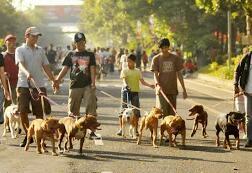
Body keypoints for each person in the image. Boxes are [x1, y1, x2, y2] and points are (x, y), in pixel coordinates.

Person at [15, 26, 56, 147]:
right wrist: (26, 72)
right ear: (27, 36)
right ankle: (29, 135)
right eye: (33, 36)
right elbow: (20, 64)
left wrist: (53, 80)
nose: (36, 38)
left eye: (37, 36)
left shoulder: (40, 50)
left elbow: (46, 67)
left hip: (39, 85)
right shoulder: (20, 50)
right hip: (23, 84)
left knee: (39, 113)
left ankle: (41, 136)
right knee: (23, 111)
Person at [54, 32, 97, 137]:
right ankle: (72, 130)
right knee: (73, 110)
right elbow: (65, 69)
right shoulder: (71, 54)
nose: (80, 44)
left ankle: (92, 130)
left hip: (87, 85)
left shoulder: (90, 55)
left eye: (82, 42)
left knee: (91, 107)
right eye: (78, 42)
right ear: (74, 43)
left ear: (85, 42)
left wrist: (93, 83)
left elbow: (92, 69)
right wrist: (57, 80)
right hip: (74, 85)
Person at [117, 54, 155, 136]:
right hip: (125, 92)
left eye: (130, 61)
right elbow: (124, 80)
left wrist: (150, 85)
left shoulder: (137, 71)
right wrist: (126, 86)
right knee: (123, 111)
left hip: (135, 93)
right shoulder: (124, 70)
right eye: (127, 61)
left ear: (134, 62)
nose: (128, 63)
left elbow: (142, 81)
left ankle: (136, 129)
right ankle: (121, 129)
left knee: (136, 111)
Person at [151, 38, 187, 117]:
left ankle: (170, 129)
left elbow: (179, 74)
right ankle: (165, 128)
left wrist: (184, 89)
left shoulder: (175, 58)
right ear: (160, 48)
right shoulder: (156, 59)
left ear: (168, 47)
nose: (164, 50)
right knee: (164, 113)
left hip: (173, 90)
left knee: (172, 114)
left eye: (166, 47)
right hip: (162, 91)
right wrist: (157, 84)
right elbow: (155, 74)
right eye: (162, 48)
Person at [234, 50, 252, 147]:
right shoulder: (247, 57)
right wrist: (235, 84)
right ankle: (250, 139)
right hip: (248, 92)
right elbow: (237, 70)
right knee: (249, 117)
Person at [2, 34, 19, 109]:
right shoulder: (2, 55)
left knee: (17, 104)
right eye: (9, 41)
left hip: (18, 82)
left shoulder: (19, 54)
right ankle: (5, 120)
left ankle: (18, 120)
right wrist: (3, 73)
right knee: (7, 104)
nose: (12, 42)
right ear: (5, 43)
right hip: (6, 83)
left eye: (13, 41)